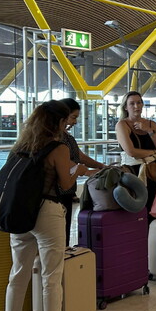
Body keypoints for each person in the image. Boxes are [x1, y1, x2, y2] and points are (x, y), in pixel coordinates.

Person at [2, 101, 88, 311]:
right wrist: (79, 169)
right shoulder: (58, 148)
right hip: (47, 213)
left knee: (18, 274)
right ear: (59, 123)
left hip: (20, 215)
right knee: (51, 276)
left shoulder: (21, 145)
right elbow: (64, 183)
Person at [58, 98, 105, 245]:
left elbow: (79, 156)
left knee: (63, 236)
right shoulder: (55, 138)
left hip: (66, 192)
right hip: (57, 192)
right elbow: (62, 161)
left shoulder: (66, 137)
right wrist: (85, 172)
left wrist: (101, 166)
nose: (75, 122)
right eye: (73, 117)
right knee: (57, 238)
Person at [115, 91, 156, 215]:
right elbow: (131, 151)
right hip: (134, 172)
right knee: (138, 209)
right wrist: (153, 152)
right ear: (125, 107)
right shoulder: (122, 125)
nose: (136, 106)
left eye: (139, 103)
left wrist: (149, 131)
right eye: (132, 103)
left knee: (155, 209)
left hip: (154, 172)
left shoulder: (151, 124)